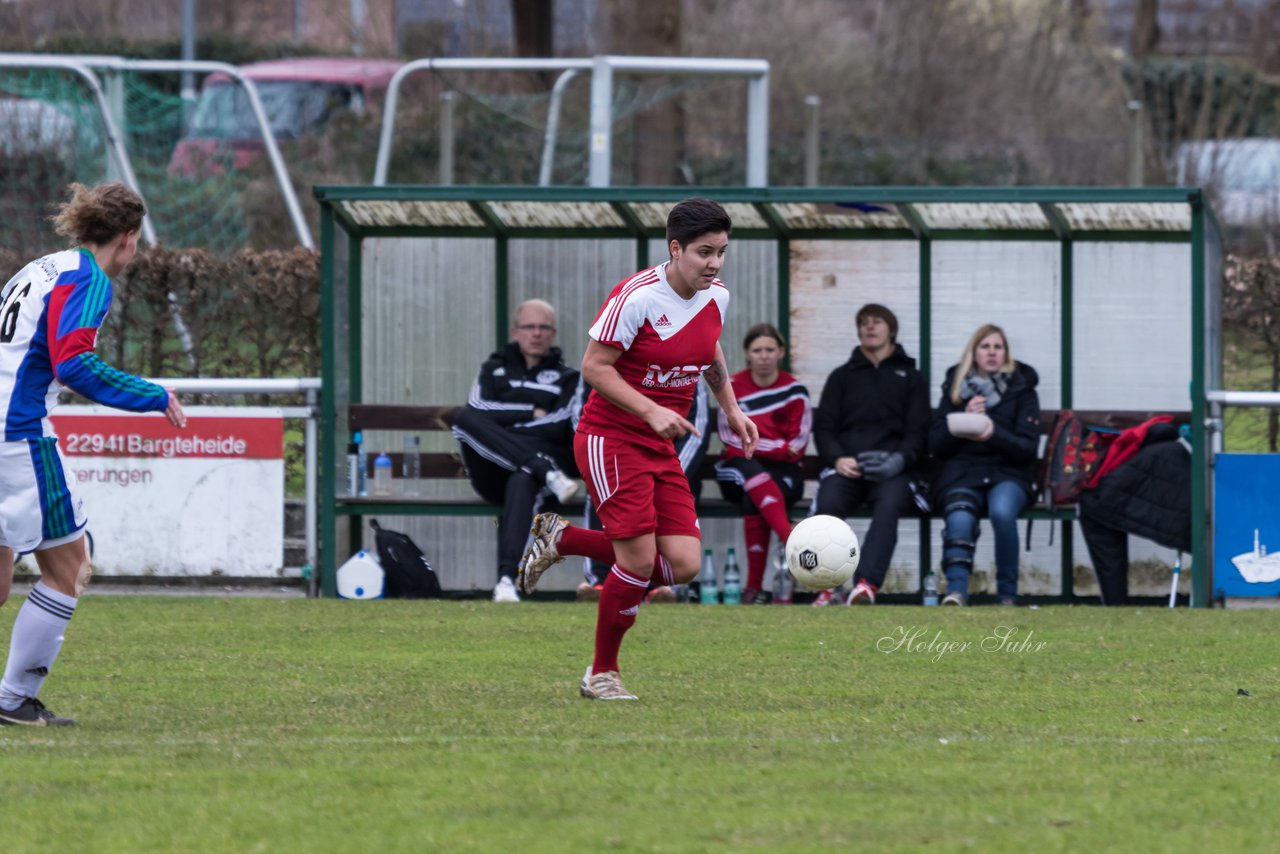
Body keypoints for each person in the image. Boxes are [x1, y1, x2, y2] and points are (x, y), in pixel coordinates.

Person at [519, 197, 758, 700]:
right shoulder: (637, 296)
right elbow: (594, 367)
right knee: (640, 561)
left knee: (685, 563)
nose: (714, 264)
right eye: (703, 253)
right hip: (611, 438)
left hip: (658, 442)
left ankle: (563, 539)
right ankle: (601, 674)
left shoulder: (717, 296)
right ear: (675, 248)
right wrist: (650, 410)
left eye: (722, 253)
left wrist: (732, 409)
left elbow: (709, 347)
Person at [0, 182, 186, 726]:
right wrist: (155, 395)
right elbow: (73, 364)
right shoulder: (88, 279)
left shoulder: (45, 266)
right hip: (17, 436)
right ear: (127, 239)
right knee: (70, 567)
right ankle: (12, 700)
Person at [450, 298, 580, 603]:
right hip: (493, 473)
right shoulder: (493, 369)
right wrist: (528, 411)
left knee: (523, 477)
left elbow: (560, 423)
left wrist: (502, 431)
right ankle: (544, 470)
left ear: (553, 333)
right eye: (529, 327)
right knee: (462, 418)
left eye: (543, 327)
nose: (536, 333)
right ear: (516, 331)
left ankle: (506, 582)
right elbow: (477, 409)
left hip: (528, 478)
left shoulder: (569, 378)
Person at [810, 304, 930, 606]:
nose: (869, 328)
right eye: (864, 323)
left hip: (893, 470)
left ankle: (865, 585)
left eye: (877, 322)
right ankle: (828, 586)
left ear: (891, 330)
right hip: (848, 467)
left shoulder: (912, 377)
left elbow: (919, 432)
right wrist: (838, 458)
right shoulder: (842, 376)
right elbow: (824, 428)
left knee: (889, 507)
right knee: (828, 503)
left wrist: (897, 461)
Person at [929, 323, 1040, 606]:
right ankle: (956, 592)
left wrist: (993, 433)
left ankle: (1007, 595)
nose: (992, 353)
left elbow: (1027, 449)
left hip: (1008, 474)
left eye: (998, 347)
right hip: (963, 474)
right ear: (974, 352)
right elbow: (936, 445)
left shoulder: (1023, 390)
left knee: (1002, 513)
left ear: (1006, 353)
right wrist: (963, 418)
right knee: (960, 517)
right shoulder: (955, 389)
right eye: (985, 347)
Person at [574, 377, 710, 603]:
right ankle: (600, 580)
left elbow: (699, 429)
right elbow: (581, 413)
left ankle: (658, 588)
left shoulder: (692, 359)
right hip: (618, 456)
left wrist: (669, 471)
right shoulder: (611, 353)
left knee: (686, 564)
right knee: (606, 491)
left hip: (672, 462)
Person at [714, 323, 812, 604]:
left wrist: (758, 445)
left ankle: (753, 589)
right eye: (757, 350)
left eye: (770, 349)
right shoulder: (730, 387)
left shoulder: (796, 391)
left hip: (781, 475)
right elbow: (729, 438)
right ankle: (791, 539)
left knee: (754, 496)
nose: (764, 355)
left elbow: (797, 446)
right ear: (747, 353)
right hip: (737, 470)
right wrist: (777, 447)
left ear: (780, 352)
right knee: (749, 472)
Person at [1078, 419, 1190, 606]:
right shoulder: (1174, 453)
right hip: (1175, 517)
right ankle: (1116, 601)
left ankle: (1115, 601)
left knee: (1098, 520)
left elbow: (1112, 492)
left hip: (1104, 504)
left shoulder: (1146, 453)